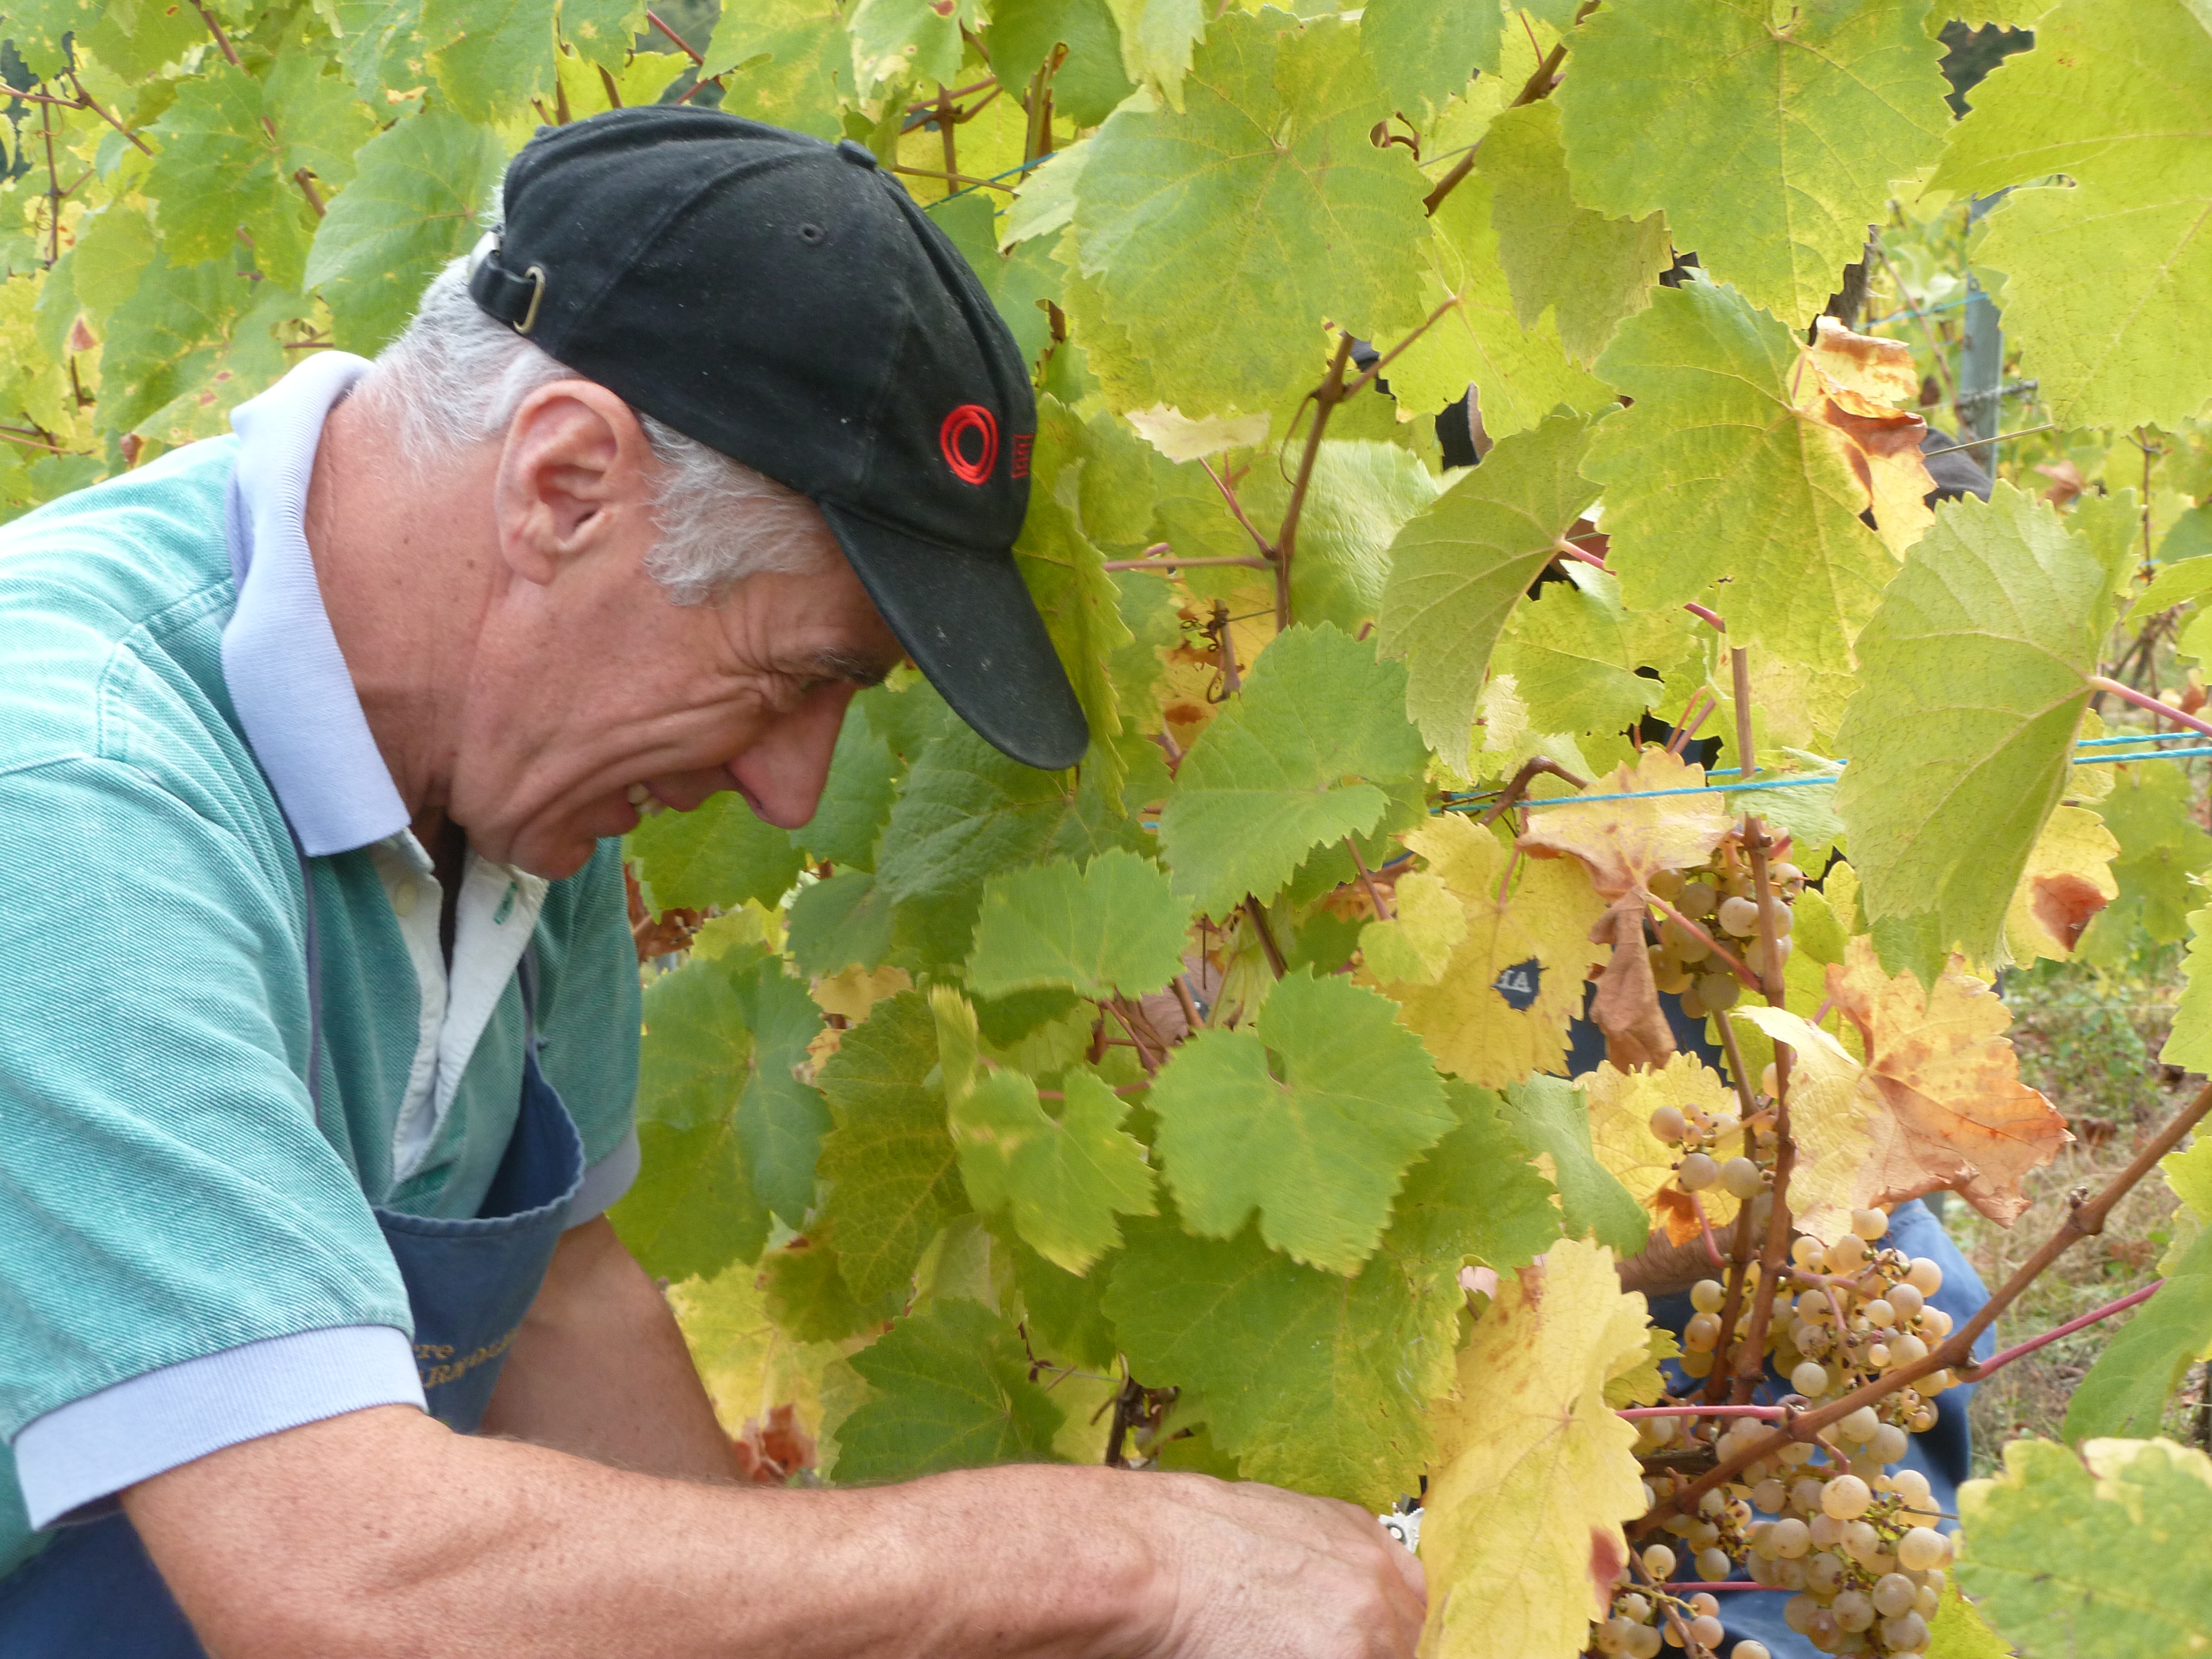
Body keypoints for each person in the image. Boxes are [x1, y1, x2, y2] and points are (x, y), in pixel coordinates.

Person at [0, 108, 1422, 1657]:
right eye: (792, 676)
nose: (790, 787)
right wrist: (1116, 1568)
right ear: (564, 486)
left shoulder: (518, 783)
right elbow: (336, 1571)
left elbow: (558, 1300)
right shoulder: (71, 793)